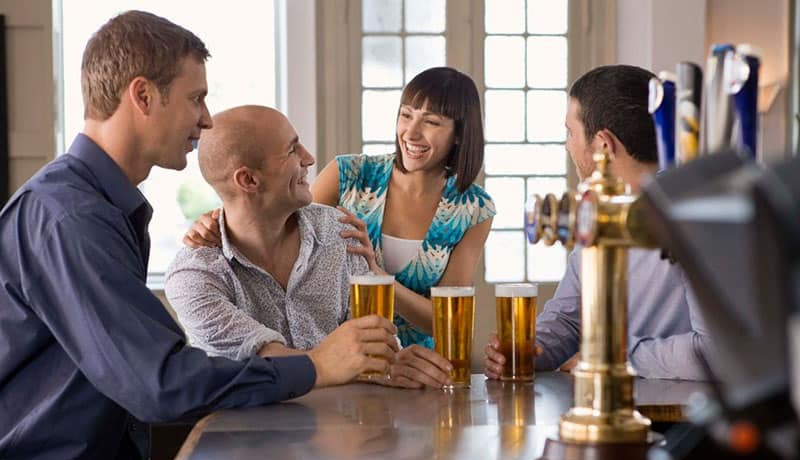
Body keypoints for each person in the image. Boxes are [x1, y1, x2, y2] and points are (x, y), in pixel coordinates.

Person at [0, 12, 395, 460]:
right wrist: (316, 365)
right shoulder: (70, 217)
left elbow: (96, 369)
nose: (206, 120)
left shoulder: (103, 208)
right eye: (195, 98)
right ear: (143, 96)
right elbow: (158, 382)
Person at [185, 67, 496, 350]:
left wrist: (376, 276)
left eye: (430, 122)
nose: (411, 133)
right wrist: (216, 221)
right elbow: (275, 221)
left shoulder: (473, 209)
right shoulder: (350, 174)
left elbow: (450, 321)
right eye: (406, 115)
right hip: (344, 358)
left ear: (459, 134)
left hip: (419, 366)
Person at [165, 105, 452, 389]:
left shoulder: (342, 230)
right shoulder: (193, 276)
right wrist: (369, 367)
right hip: (246, 432)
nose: (309, 158)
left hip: (345, 428)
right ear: (249, 180)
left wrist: (391, 364)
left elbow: (375, 348)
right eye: (292, 150)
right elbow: (268, 365)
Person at [484, 64, 712, 381]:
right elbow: (572, 319)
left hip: (680, 422)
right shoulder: (597, 210)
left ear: (603, 144)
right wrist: (531, 348)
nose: (568, 145)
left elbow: (717, 352)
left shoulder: (693, 215)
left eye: (570, 132)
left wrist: (616, 357)